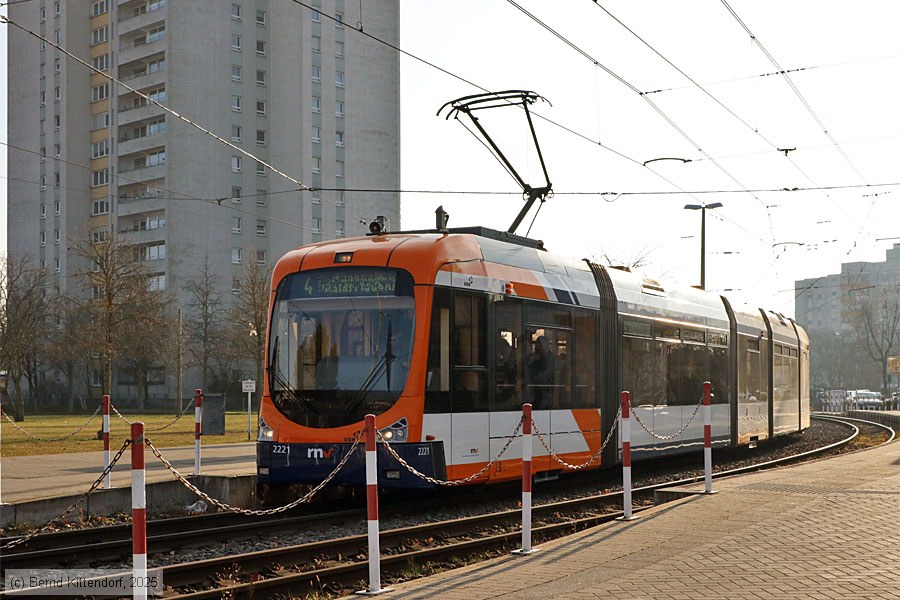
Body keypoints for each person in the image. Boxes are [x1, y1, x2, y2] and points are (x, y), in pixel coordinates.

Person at [527, 335, 555, 408]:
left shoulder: (552, 358)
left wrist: (536, 378)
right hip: (534, 392)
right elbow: (528, 368)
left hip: (547, 392)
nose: (538, 347)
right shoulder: (534, 356)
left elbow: (548, 372)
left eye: (540, 345)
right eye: (537, 345)